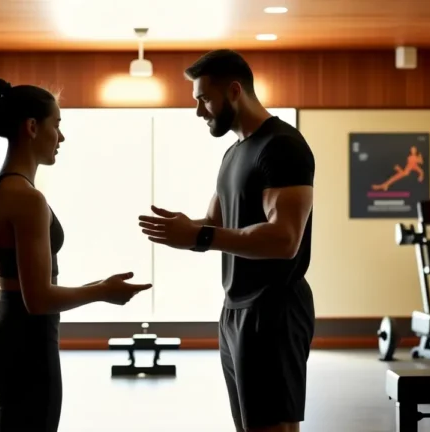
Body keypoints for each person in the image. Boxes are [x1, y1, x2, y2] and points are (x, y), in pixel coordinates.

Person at [137, 50, 316, 432]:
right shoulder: (234, 153)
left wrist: (199, 236)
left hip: (273, 310)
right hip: (235, 309)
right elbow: (215, 224)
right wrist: (185, 231)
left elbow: (285, 238)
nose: (199, 111)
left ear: (234, 91)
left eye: (204, 98)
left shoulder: (282, 147)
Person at [0, 78, 153, 432]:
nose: (62, 138)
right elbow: (38, 299)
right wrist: (103, 292)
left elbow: (18, 285)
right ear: (32, 128)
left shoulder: (0, 188)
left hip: (1, 335)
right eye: (58, 125)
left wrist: (99, 284)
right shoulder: (26, 198)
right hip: (26, 342)